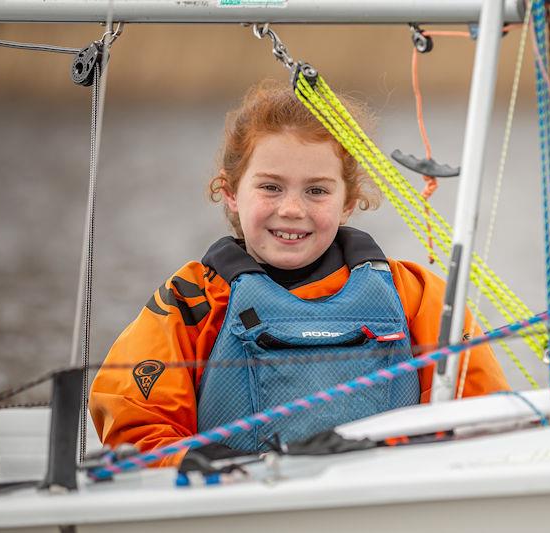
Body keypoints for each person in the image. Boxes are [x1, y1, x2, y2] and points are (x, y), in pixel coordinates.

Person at [89, 81, 508, 466]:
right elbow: (139, 428)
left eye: (317, 190)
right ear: (232, 193)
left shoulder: (414, 295)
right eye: (270, 187)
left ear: (348, 202)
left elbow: (480, 411)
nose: (292, 209)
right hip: (243, 503)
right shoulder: (191, 301)